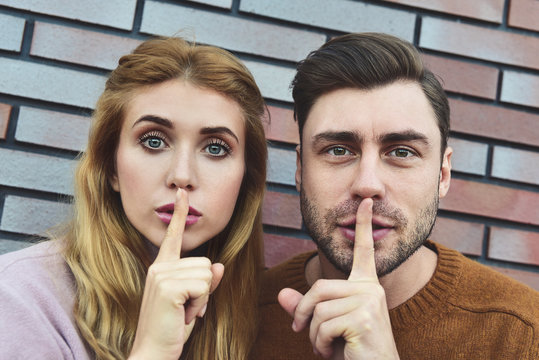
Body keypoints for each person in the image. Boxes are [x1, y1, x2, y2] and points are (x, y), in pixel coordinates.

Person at [252, 33, 539, 359]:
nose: (368, 184)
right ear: (301, 169)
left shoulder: (523, 334)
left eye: (401, 151)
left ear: (442, 175)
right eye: (338, 150)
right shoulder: (239, 318)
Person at [0, 36, 267, 359]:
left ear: (245, 179)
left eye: (215, 148)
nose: (181, 175)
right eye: (154, 142)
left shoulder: (266, 311)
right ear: (110, 166)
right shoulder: (19, 297)